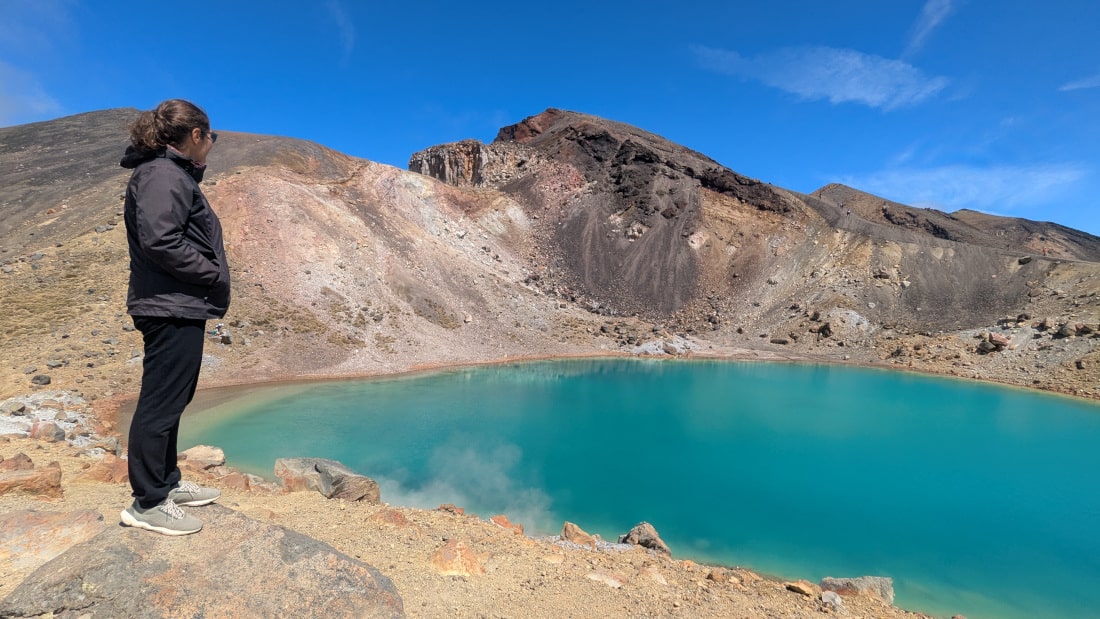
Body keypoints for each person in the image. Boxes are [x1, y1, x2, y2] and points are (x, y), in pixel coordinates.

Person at [119, 99, 230, 535]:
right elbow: (161, 240)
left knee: (173, 400)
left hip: (177, 302)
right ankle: (148, 502)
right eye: (211, 137)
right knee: (161, 403)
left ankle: (165, 484)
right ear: (196, 135)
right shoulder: (163, 175)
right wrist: (211, 273)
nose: (212, 144)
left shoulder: (169, 173)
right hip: (169, 304)